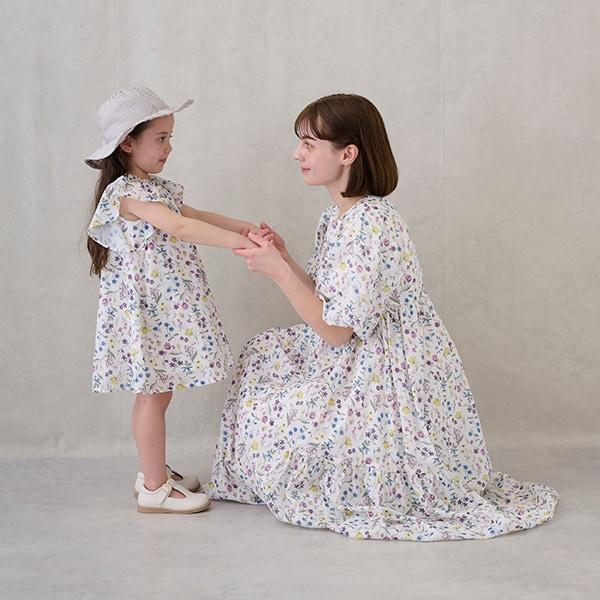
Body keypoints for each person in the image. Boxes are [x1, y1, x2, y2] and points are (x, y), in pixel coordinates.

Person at [205, 93, 559, 540]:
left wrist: (277, 273)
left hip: (385, 366)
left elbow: (337, 331)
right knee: (265, 354)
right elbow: (330, 299)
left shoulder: (372, 223)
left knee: (286, 406)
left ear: (347, 154)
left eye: (309, 144)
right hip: (356, 349)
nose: (297, 154)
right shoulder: (337, 218)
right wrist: (286, 259)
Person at [85, 86, 258, 514]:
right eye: (160, 138)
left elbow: (194, 216)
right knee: (153, 393)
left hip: (163, 310)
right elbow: (180, 228)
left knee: (160, 392)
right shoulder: (128, 193)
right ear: (128, 143)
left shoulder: (155, 187)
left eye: (170, 137)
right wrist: (240, 244)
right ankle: (154, 487)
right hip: (148, 312)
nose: (169, 147)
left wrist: (246, 228)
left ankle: (153, 469)